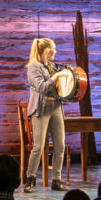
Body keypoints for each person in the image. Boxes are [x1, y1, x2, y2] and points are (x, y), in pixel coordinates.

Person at [24, 37, 68, 192]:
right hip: (41, 109)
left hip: (55, 107)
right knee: (39, 146)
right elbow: (42, 88)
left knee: (60, 145)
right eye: (52, 49)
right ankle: (30, 179)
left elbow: (58, 89)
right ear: (43, 51)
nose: (54, 52)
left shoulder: (52, 66)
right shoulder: (33, 68)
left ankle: (56, 179)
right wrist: (55, 77)